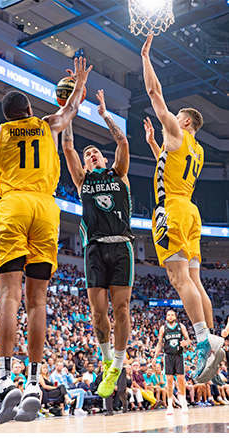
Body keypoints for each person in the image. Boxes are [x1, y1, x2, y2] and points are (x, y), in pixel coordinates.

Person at [0, 56, 92, 424]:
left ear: (9, 115)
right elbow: (73, 107)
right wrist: (78, 84)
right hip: (46, 210)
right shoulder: (47, 125)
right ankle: (32, 381)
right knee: (38, 301)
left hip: (12, 206)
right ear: (28, 109)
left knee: (9, 295)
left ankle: (2, 375)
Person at [141, 34, 224, 384]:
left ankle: (204, 339)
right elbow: (172, 158)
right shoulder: (198, 150)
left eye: (176, 118)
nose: (170, 119)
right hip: (191, 211)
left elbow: (155, 94)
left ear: (185, 122)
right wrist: (155, 147)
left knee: (177, 280)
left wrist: (145, 56)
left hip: (171, 209)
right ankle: (214, 343)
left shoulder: (176, 131)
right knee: (194, 280)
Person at [62, 88, 135, 398]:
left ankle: (117, 364)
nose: (90, 154)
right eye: (88, 153)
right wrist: (67, 108)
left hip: (121, 246)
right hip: (94, 248)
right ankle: (107, 362)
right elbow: (68, 146)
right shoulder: (83, 181)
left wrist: (104, 113)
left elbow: (122, 142)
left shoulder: (119, 173)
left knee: (122, 310)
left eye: (95, 153)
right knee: (97, 314)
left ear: (103, 159)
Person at [152, 309, 190, 414]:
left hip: (179, 355)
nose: (170, 316)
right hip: (168, 356)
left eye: (172, 315)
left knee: (181, 379)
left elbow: (188, 340)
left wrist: (185, 342)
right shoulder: (163, 328)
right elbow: (160, 343)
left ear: (175, 316)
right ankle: (169, 405)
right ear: (166, 317)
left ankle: (183, 402)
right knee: (169, 380)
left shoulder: (181, 326)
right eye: (168, 315)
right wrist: (155, 357)